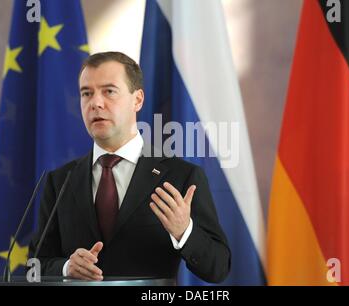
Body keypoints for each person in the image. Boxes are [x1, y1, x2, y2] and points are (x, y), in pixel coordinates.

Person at [29, 51, 230, 283]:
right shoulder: (60, 180)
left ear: (138, 100)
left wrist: (184, 231)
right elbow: (35, 264)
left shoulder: (180, 176)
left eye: (109, 91)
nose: (96, 103)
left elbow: (219, 267)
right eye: (87, 93)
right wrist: (66, 267)